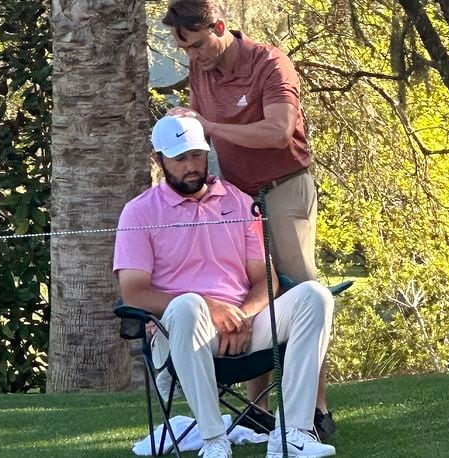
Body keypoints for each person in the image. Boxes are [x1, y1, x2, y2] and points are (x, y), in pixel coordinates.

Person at [162, 0, 337, 440]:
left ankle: (316, 411)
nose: (193, 58)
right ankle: (258, 410)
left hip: (284, 187)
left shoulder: (270, 63)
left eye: (199, 45)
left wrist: (208, 124)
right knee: (251, 291)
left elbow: (278, 131)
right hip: (237, 197)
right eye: (185, 49)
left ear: (220, 26)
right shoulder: (201, 70)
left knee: (301, 290)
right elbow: (202, 131)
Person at [113, 115, 336, 458]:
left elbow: (266, 278)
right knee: (188, 306)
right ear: (159, 160)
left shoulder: (239, 201)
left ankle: (291, 432)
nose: (191, 166)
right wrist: (213, 309)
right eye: (180, 158)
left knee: (314, 296)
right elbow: (135, 292)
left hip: (243, 326)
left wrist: (243, 316)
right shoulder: (138, 212)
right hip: (178, 332)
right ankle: (213, 440)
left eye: (197, 155)